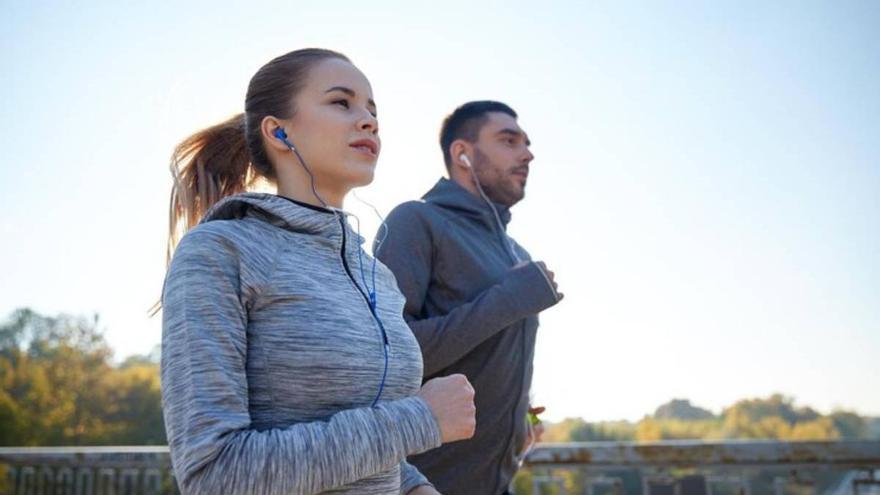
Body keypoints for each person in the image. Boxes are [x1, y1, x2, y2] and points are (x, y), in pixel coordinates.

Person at [160, 48, 475, 495]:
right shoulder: (220, 252)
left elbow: (371, 444)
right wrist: (421, 419)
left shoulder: (375, 276)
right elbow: (214, 475)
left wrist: (413, 486)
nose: (369, 120)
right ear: (279, 131)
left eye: (372, 109)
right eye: (341, 102)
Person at [376, 101, 563, 494]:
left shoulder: (518, 254)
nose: (527, 154)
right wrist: (510, 299)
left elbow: (481, 352)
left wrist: (513, 410)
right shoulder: (415, 221)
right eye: (508, 140)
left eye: (526, 143)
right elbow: (385, 358)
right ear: (462, 153)